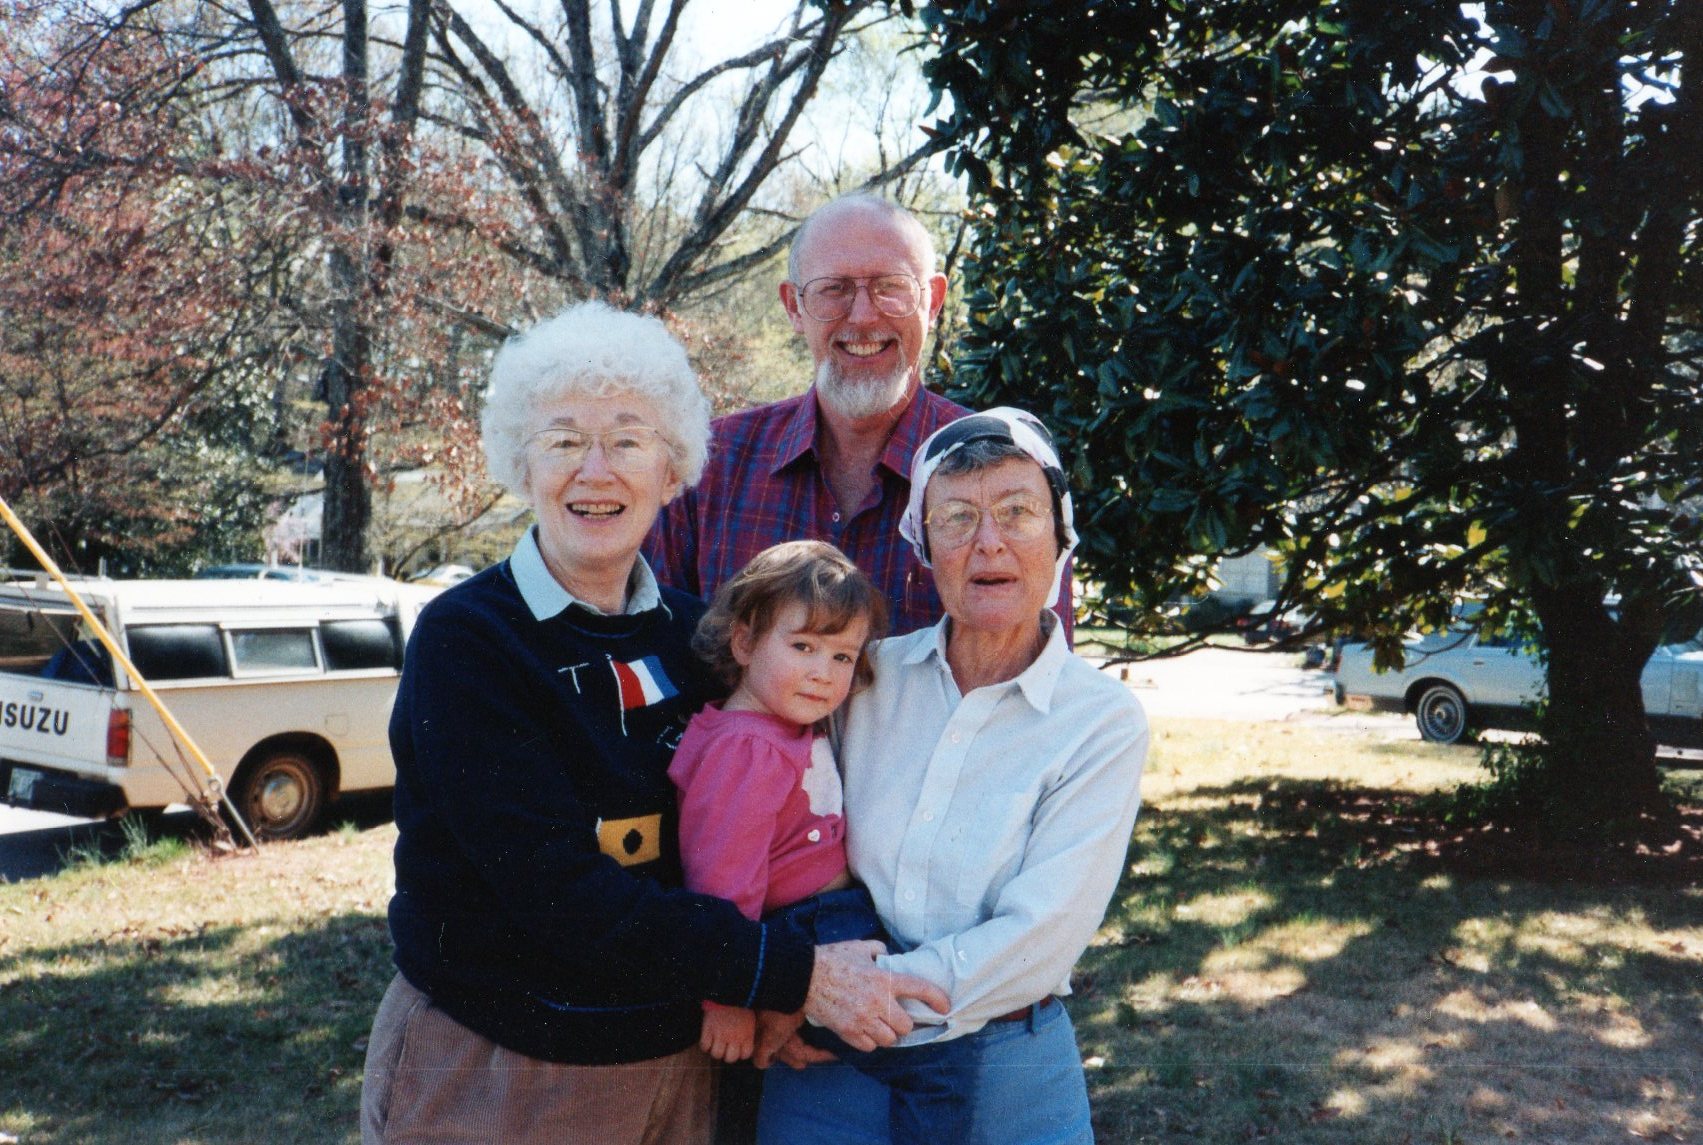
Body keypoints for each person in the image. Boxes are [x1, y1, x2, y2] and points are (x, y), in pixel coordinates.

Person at [358, 301, 947, 1145]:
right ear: (521, 464)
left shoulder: (692, 634)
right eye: (564, 440)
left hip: (681, 1061)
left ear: (672, 471)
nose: (595, 470)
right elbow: (556, 889)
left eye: (628, 441)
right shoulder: (470, 640)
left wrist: (775, 986)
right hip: (508, 1062)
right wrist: (789, 974)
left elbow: (751, 825)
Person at [755, 408, 1150, 1145]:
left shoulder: (1100, 721)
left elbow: (1039, 935)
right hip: (829, 1065)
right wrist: (787, 981)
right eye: (957, 517)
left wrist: (832, 992)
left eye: (1017, 512)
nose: (988, 541)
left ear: (1061, 536)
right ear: (924, 547)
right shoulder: (864, 677)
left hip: (1004, 1062)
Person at [645, 193, 1071, 639]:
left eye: (891, 287)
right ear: (794, 306)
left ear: (933, 302)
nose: (864, 316)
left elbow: (1045, 674)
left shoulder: (1014, 471)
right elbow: (654, 655)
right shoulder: (711, 466)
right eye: (834, 289)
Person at [670, 540, 974, 1143]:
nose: (823, 672)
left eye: (842, 656)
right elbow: (721, 882)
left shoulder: (782, 725)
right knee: (937, 1066)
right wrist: (728, 1000)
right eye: (803, 647)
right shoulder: (748, 747)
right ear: (744, 643)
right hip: (805, 926)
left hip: (827, 920)